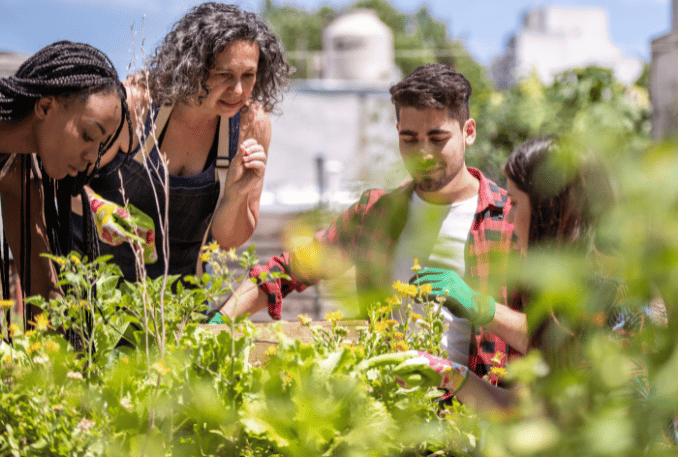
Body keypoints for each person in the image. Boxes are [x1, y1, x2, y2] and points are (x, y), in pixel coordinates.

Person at [220, 63, 527, 377]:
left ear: (468, 132)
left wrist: (481, 307)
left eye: (437, 139)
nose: (423, 153)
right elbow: (287, 269)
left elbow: (552, 338)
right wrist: (220, 320)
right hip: (392, 408)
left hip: (480, 414)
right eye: (409, 139)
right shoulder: (375, 214)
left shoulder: (510, 218)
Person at [71, 2, 290, 281]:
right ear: (192, 67)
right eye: (224, 75)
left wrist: (235, 195)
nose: (238, 90)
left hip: (178, 302)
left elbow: (228, 242)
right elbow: (60, 180)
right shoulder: (136, 103)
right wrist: (98, 208)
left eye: (248, 76)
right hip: (94, 286)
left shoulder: (251, 125)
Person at [404, 135, 616, 413]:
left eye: (514, 203)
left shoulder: (611, 294)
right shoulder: (566, 290)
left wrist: (478, 305)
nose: (510, 218)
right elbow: (521, 409)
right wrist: (448, 374)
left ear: (547, 207)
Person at [0, 40, 130, 347]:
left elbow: (41, 289)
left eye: (100, 147)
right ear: (45, 106)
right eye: (88, 135)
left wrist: (64, 360)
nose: (90, 157)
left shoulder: (17, 170)